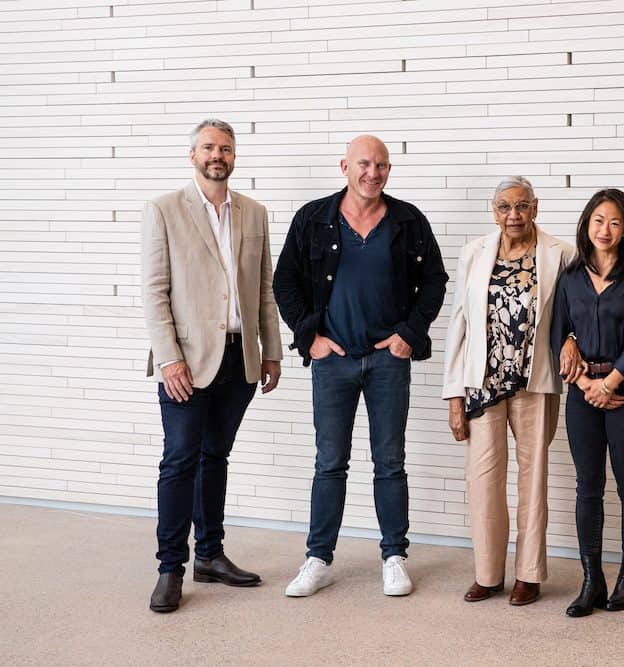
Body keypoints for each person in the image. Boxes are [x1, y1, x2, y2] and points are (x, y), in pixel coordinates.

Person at [272, 135, 448, 598]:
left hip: (389, 361)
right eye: (365, 164)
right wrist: (309, 337)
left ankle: (394, 556)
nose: (374, 173)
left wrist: (409, 335)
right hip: (334, 361)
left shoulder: (408, 220)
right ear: (345, 166)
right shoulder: (313, 218)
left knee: (390, 462)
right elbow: (284, 280)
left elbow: (435, 280)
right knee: (329, 463)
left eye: (382, 165)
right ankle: (318, 559)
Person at [141, 119, 283, 613]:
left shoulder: (254, 213)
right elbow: (155, 293)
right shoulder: (164, 210)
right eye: (208, 147)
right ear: (193, 155)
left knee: (215, 457)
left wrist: (271, 349)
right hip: (186, 361)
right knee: (179, 460)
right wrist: (170, 359)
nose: (216, 155)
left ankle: (211, 555)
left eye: (225, 148)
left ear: (234, 156)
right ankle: (169, 568)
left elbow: (264, 287)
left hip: (238, 356)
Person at [441, 176, 576, 606]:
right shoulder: (474, 252)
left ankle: (530, 574)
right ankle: (488, 573)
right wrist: (453, 395)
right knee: (483, 480)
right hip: (481, 382)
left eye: (521, 206)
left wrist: (573, 341)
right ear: (493, 210)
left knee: (533, 478)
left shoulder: (562, 254)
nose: (513, 216)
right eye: (504, 207)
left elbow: (574, 314)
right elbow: (459, 322)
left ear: (535, 207)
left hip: (535, 381)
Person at [551, 188, 624, 617]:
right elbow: (558, 333)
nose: (605, 229)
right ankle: (591, 579)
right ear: (586, 225)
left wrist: (609, 383)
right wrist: (585, 385)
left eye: (614, 221)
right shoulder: (571, 277)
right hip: (582, 395)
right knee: (587, 486)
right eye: (598, 220)